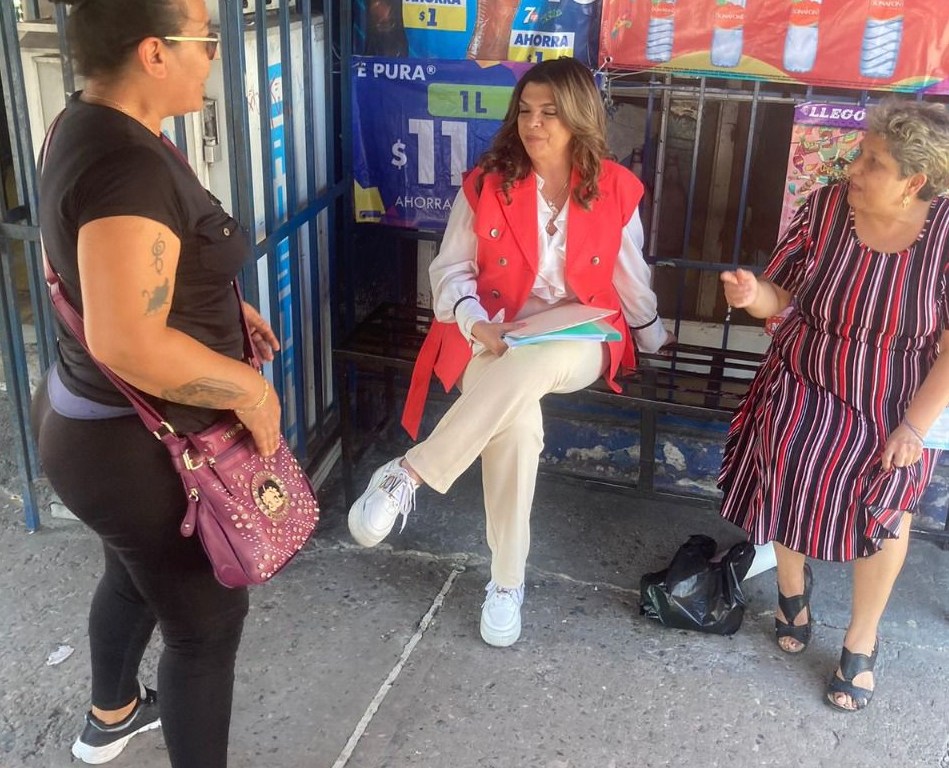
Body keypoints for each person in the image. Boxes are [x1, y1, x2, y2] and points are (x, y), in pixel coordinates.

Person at [348, 57, 671, 648]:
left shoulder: (615, 189)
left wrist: (651, 338)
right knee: (518, 429)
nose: (533, 123)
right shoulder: (487, 184)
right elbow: (449, 270)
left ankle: (410, 472)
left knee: (535, 362)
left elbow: (630, 277)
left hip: (579, 338)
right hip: (494, 333)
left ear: (579, 118)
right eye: (525, 111)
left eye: (549, 113)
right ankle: (506, 581)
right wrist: (477, 325)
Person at [32, 1, 281, 765]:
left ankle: (111, 715)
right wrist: (248, 390)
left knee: (136, 571)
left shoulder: (88, 124)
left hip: (95, 429)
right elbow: (127, 340)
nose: (213, 54)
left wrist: (219, 302)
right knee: (204, 631)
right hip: (136, 448)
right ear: (153, 52)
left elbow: (109, 268)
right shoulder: (127, 167)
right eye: (204, 39)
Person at [719, 99, 949, 712]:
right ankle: (792, 592)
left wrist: (914, 426)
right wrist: (753, 294)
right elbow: (781, 298)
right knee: (786, 454)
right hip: (809, 368)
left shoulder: (947, 236)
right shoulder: (825, 209)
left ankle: (861, 638)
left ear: (914, 182)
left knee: (888, 500)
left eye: (873, 163)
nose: (853, 170)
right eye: (860, 155)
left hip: (900, 392)